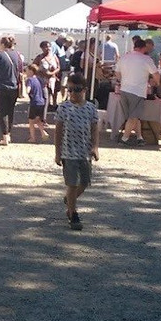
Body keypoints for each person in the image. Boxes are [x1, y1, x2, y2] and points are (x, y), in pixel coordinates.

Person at [54, 75, 99, 231]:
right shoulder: (63, 108)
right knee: (72, 184)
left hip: (84, 153)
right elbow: (58, 131)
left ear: (84, 90)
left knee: (84, 182)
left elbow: (94, 129)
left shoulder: (91, 108)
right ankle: (73, 213)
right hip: (68, 152)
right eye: (70, 90)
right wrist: (57, 152)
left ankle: (69, 199)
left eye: (77, 90)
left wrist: (95, 147)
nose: (73, 93)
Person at [116, 38, 159, 146]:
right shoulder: (146, 59)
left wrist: (124, 80)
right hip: (138, 91)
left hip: (124, 90)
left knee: (133, 116)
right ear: (144, 48)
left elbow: (117, 73)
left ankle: (139, 137)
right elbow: (156, 74)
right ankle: (124, 139)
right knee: (134, 117)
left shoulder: (124, 57)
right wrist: (156, 83)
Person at [0, 35, 24, 146]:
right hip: (14, 86)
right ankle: (9, 133)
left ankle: (5, 137)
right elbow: (20, 71)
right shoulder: (18, 55)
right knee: (11, 111)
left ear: (3, 44)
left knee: (3, 112)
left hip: (1, 86)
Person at [34, 41, 60, 115]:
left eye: (49, 46)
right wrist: (41, 72)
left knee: (51, 95)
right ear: (42, 48)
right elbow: (33, 67)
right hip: (42, 81)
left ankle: (45, 115)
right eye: (45, 47)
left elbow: (58, 67)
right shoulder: (40, 57)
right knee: (44, 98)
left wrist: (52, 73)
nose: (48, 48)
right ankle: (41, 115)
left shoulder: (54, 56)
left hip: (52, 80)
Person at [25, 64, 49, 143]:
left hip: (34, 102)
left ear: (31, 71)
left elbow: (28, 90)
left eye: (27, 70)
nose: (26, 72)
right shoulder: (39, 79)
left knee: (31, 121)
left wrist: (26, 91)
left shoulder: (30, 80)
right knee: (38, 119)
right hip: (41, 102)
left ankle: (33, 138)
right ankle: (43, 133)